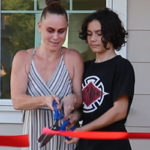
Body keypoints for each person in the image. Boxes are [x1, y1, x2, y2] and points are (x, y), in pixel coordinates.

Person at [10, 0, 83, 150]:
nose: (56, 37)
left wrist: (73, 99)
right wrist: (44, 100)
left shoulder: (73, 58)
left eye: (61, 31)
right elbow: (17, 101)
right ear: (39, 27)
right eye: (50, 30)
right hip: (33, 140)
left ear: (66, 29)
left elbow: (80, 98)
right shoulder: (23, 58)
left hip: (66, 142)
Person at [66, 8, 135, 150]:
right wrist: (75, 116)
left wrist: (84, 130)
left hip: (113, 145)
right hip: (86, 145)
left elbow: (119, 111)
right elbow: (88, 108)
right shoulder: (85, 67)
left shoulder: (122, 66)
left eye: (99, 34)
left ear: (112, 34)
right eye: (89, 34)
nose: (92, 39)